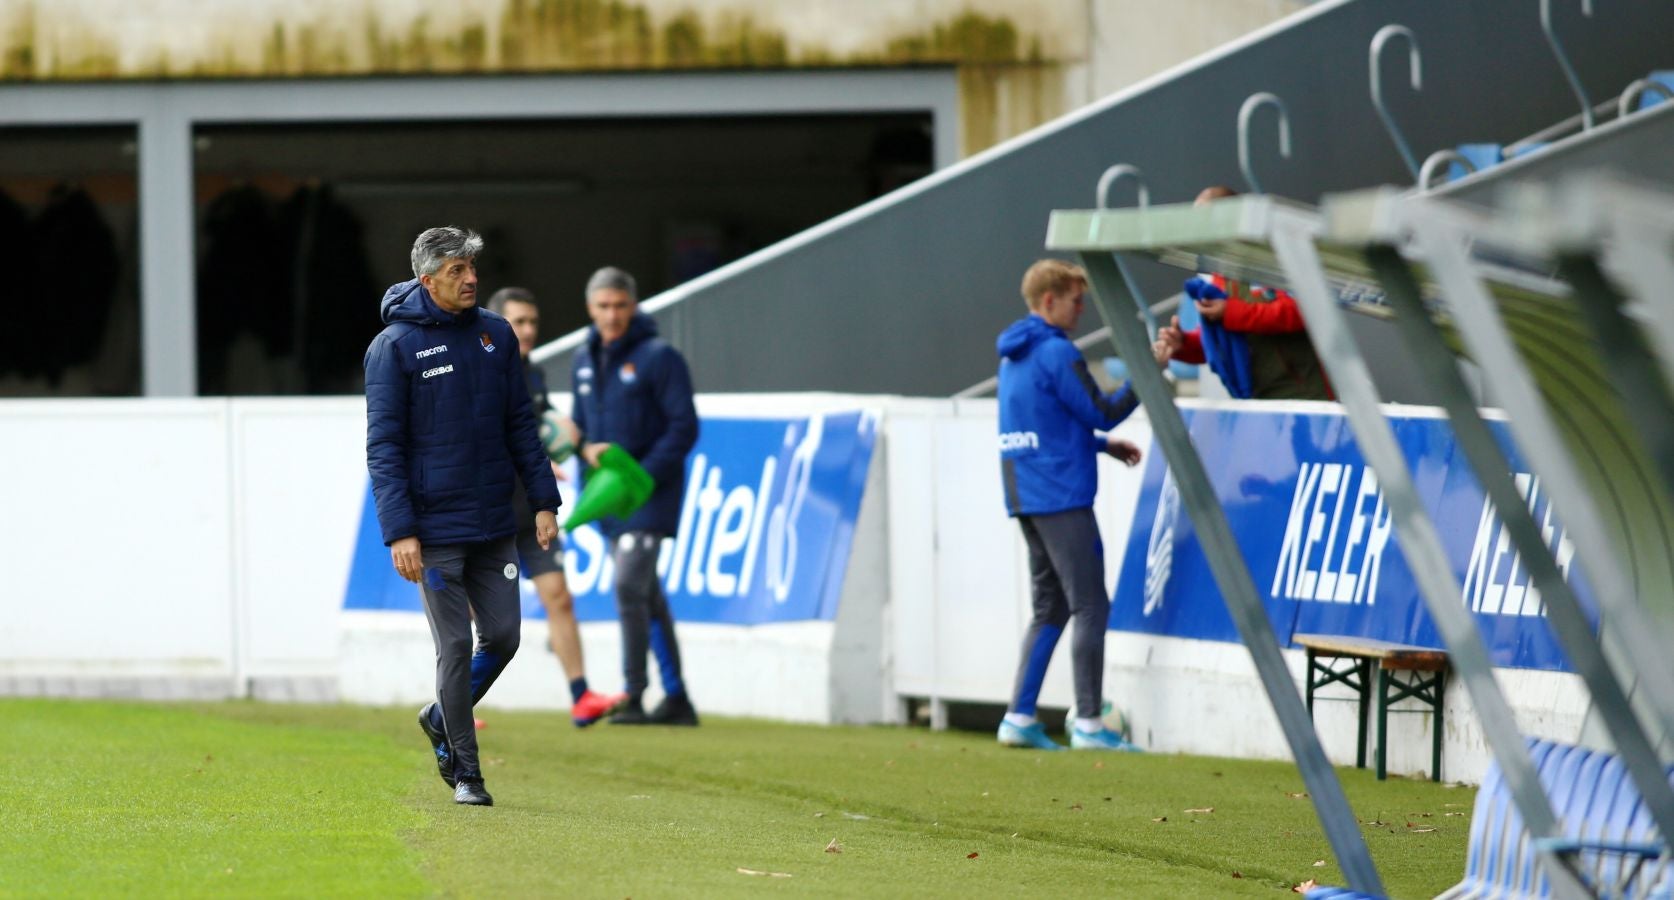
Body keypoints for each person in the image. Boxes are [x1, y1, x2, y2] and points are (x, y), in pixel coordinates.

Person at [364, 227, 561, 806]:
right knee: (454, 647)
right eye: (456, 269)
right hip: (433, 529)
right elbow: (384, 447)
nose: (471, 278)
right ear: (427, 280)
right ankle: (468, 774)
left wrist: (544, 500)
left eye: (472, 266)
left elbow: (521, 424)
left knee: (502, 637)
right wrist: (399, 531)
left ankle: (438, 716)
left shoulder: (497, 337)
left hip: (494, 522)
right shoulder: (392, 348)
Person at [995, 259, 1154, 752]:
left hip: (1026, 493)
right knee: (1089, 604)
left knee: (1051, 607)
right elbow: (1100, 409)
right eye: (1076, 300)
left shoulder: (1013, 354)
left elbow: (1050, 423)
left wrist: (1103, 446)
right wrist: (1150, 370)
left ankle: (1019, 717)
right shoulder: (1056, 353)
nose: (1081, 309)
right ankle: (1089, 723)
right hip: (1060, 495)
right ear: (1050, 301)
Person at [485, 286, 629, 727]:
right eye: (518, 322)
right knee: (474, 615)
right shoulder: (480, 368)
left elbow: (544, 422)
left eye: (532, 322)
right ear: (496, 324)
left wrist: (581, 448)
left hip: (531, 510)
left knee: (559, 597)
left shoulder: (532, 372)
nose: (528, 331)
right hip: (485, 510)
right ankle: (456, 703)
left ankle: (581, 695)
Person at [570, 266, 701, 726]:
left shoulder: (659, 358)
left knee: (628, 585)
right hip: (610, 499)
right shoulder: (583, 359)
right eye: (603, 306)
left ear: (634, 305)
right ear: (590, 308)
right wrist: (582, 451)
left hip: (649, 494)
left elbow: (684, 426)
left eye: (620, 305)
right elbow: (580, 427)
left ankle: (635, 694)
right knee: (648, 595)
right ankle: (678, 698)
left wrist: (642, 476)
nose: (612, 315)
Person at [1153, 185, 1334, 401]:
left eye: (1205, 221)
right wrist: (1184, 344)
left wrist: (1232, 313)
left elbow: (1304, 311)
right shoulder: (1219, 274)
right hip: (1257, 401)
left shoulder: (1277, 258)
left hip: (1307, 396)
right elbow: (1222, 340)